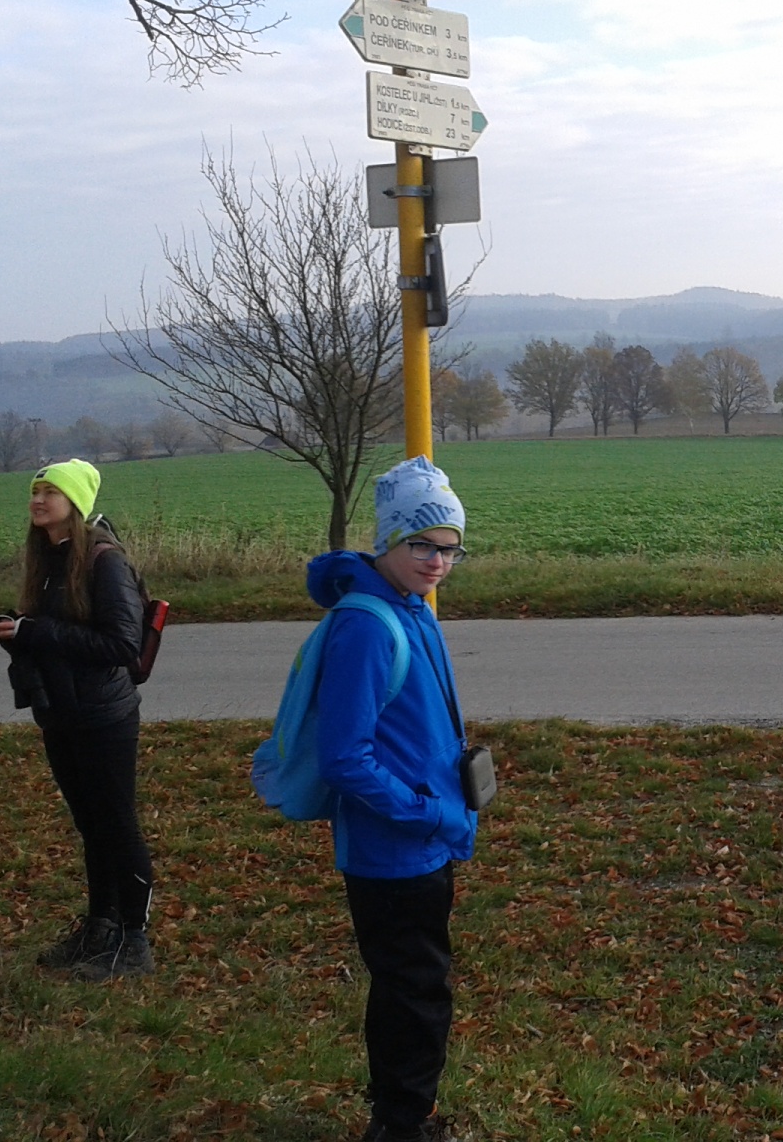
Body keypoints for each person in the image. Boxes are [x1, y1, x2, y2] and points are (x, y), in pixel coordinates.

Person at [307, 455, 478, 1142]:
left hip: (425, 838)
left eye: (451, 549)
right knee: (414, 991)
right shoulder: (369, 626)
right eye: (423, 545)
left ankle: (402, 1115)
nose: (438, 562)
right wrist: (428, 812)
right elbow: (344, 757)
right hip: (395, 845)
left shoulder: (410, 607)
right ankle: (402, 1126)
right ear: (388, 540)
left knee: (414, 984)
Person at [0, 458, 155, 981]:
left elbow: (123, 645)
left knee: (117, 824)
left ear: (75, 502)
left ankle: (134, 941)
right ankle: (100, 927)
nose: (38, 500)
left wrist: (35, 633)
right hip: (62, 716)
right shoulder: (51, 558)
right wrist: (19, 632)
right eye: (35, 491)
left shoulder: (104, 562)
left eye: (51, 492)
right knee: (91, 825)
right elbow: (60, 634)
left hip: (104, 717)